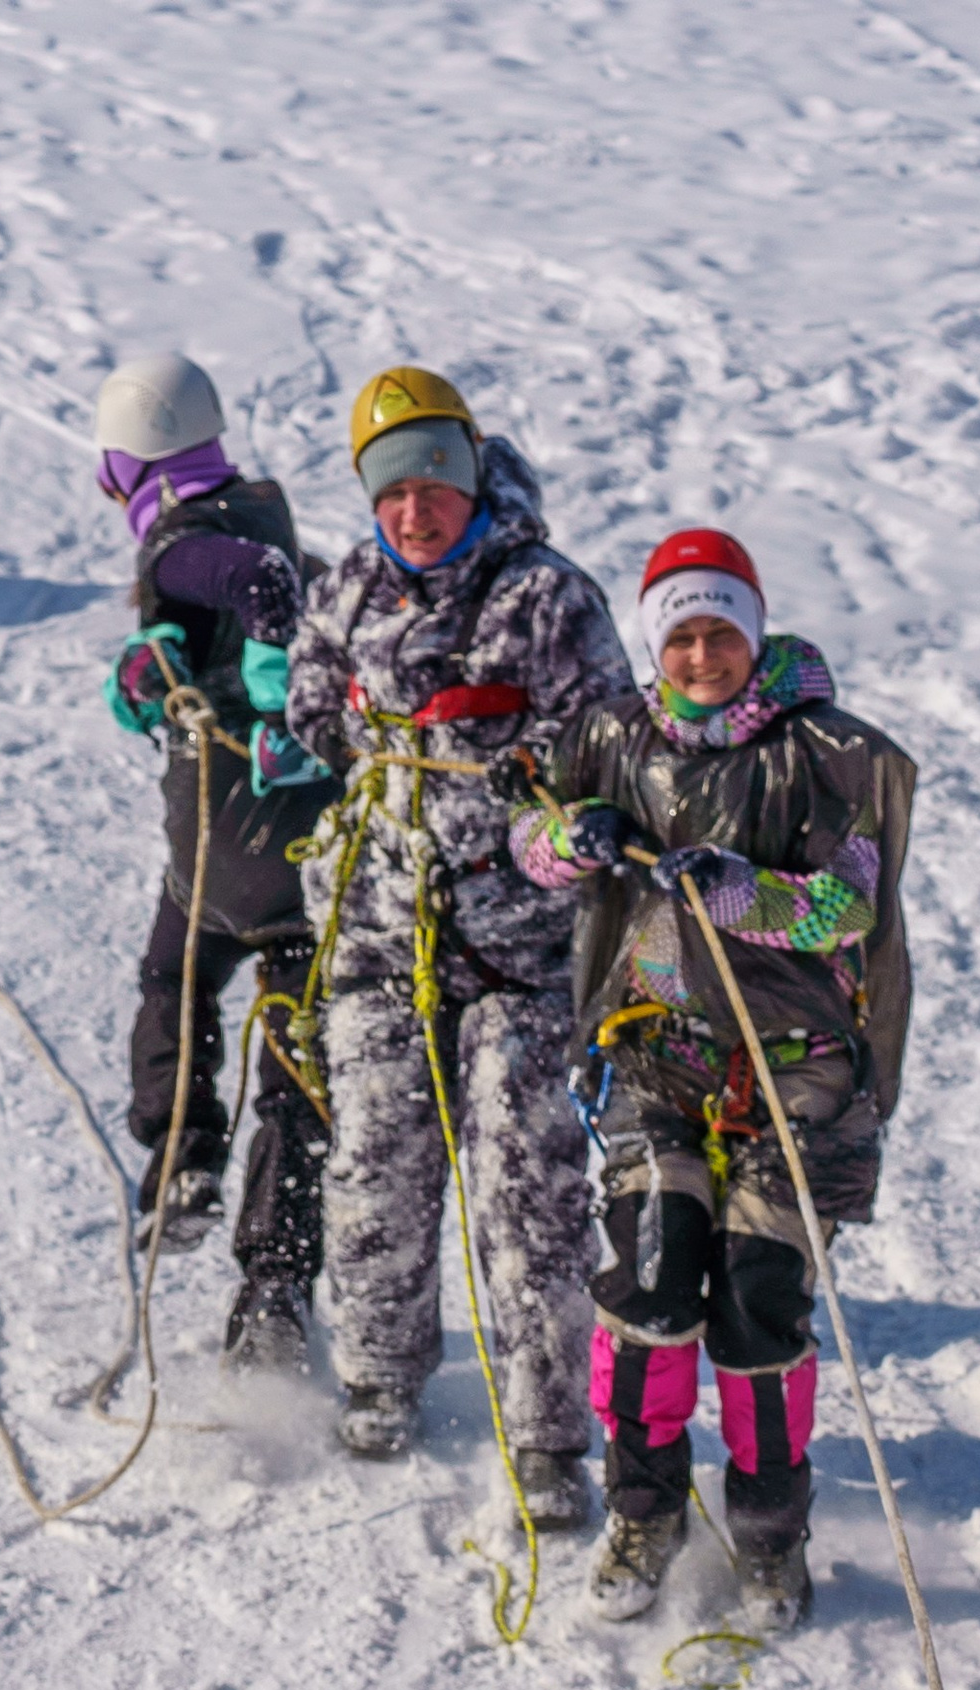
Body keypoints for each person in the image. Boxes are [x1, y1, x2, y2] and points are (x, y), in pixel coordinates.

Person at [509, 526, 915, 1630]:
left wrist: (743, 891)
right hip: (655, 1054)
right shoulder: (608, 736)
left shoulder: (821, 751)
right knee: (648, 1277)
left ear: (753, 631)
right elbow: (529, 836)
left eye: (719, 633)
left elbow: (848, 902)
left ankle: (771, 1533)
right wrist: (570, 837)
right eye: (679, 636)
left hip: (794, 1069)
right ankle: (642, 1511)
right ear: (653, 643)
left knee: (756, 1302)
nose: (700, 659)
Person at [283, 367, 629, 1498]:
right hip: (384, 935)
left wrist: (560, 806)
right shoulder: (344, 598)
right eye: (391, 488)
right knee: (373, 1161)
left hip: (521, 953)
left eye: (434, 478)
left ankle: (546, 1435)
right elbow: (309, 715)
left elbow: (611, 744)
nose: (415, 507)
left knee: (526, 1187)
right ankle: (378, 1377)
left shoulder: (546, 600)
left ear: (471, 475)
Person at [96, 351, 332, 1363]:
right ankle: (274, 1290)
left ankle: (184, 1159)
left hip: (229, 828)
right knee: (296, 1055)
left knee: (174, 972)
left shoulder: (186, 540)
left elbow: (256, 586)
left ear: (123, 464)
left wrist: (276, 692)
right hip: (315, 834)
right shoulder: (265, 508)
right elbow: (278, 586)